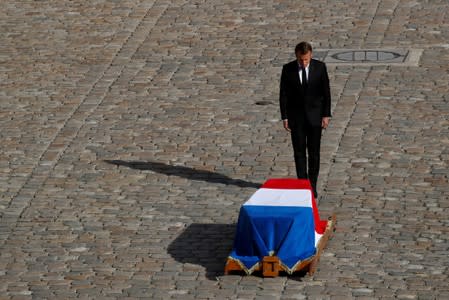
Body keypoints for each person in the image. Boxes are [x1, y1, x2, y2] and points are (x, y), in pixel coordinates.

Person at [279, 41, 331, 198]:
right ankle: (303, 185)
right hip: (297, 118)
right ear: (296, 56)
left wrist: (326, 114)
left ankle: (312, 185)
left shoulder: (320, 68)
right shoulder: (288, 70)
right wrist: (285, 116)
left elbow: (326, 92)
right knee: (299, 153)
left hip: (315, 118)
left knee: (314, 154)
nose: (303, 62)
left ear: (311, 55)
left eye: (306, 59)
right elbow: (284, 95)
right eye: (301, 60)